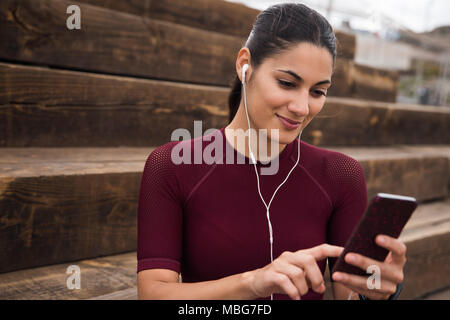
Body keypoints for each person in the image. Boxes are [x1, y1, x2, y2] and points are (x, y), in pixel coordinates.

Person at [137, 3, 407, 300]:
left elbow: (351, 295)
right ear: (244, 65)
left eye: (318, 92)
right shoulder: (172, 166)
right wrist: (253, 282)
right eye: (287, 83)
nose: (302, 108)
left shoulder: (341, 175)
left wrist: (376, 293)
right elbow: (154, 294)